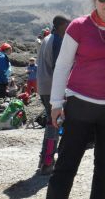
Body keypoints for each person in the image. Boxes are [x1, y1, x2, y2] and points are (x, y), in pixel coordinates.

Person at [46, 0, 105, 199]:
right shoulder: (78, 26)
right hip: (80, 105)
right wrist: (56, 103)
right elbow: (63, 65)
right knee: (67, 162)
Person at [36, 15, 70, 175]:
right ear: (61, 25)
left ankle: (44, 158)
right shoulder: (57, 40)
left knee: (52, 121)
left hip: (43, 86)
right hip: (52, 88)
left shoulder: (46, 38)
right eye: (67, 25)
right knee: (54, 124)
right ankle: (48, 162)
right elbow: (59, 66)